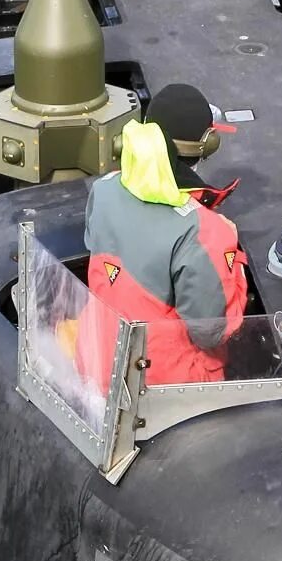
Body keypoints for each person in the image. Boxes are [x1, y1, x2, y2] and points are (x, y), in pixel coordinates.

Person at [80, 84, 247, 385]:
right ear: (207, 144)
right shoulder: (206, 231)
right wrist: (232, 259)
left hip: (99, 363)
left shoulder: (103, 189)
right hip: (165, 391)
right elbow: (212, 331)